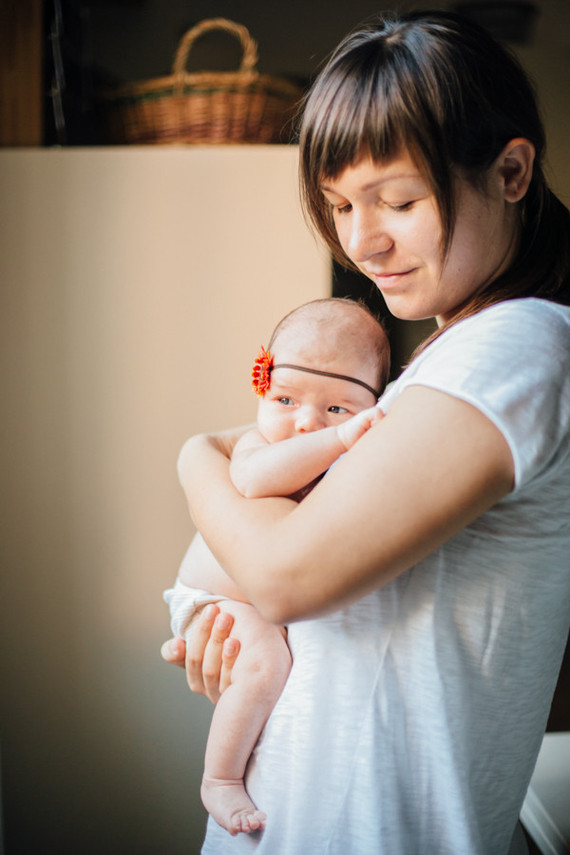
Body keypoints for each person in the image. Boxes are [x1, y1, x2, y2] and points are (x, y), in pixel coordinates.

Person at [162, 10, 570, 854]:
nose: (362, 240)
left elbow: (282, 569)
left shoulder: (515, 345)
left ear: (512, 172)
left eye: (400, 200)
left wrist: (194, 455)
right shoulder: (442, 363)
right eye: (341, 204)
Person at [164, 297, 390, 836]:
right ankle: (219, 779)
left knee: (268, 664)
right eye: (286, 398)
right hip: (213, 600)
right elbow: (255, 482)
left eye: (337, 408)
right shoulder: (256, 444)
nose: (305, 421)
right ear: (262, 386)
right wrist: (338, 437)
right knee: (266, 665)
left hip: (254, 598)